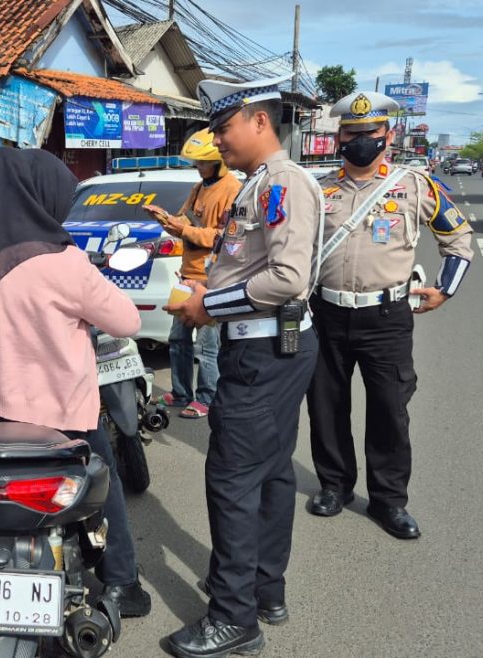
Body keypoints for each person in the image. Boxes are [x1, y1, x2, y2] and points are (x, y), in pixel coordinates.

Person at [0, 147, 152, 617]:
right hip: (60, 419)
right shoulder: (64, 262)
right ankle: (121, 584)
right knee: (105, 483)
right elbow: (126, 322)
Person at [162, 74, 322, 658]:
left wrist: (207, 304)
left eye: (224, 128)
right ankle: (263, 589)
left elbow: (286, 278)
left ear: (259, 120)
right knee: (272, 472)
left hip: (263, 349)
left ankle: (234, 618)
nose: (217, 140)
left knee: (231, 477)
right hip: (266, 346)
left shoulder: (282, 183)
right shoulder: (259, 184)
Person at [305, 92, 474, 539]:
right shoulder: (319, 190)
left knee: (389, 410)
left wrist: (446, 290)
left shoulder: (416, 185)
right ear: (338, 136)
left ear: (388, 135)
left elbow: (458, 238)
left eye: (370, 133)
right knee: (326, 407)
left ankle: (388, 501)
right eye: (352, 133)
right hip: (325, 311)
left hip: (387, 318)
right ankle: (335, 486)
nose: (360, 140)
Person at [143, 128, 241, 419]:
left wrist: (183, 228)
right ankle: (181, 392)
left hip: (212, 279)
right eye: (196, 163)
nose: (198, 168)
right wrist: (166, 219)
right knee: (178, 339)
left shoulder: (233, 189)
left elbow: (222, 237)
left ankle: (206, 397)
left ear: (218, 161)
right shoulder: (198, 188)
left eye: (202, 163)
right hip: (187, 275)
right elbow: (186, 219)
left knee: (208, 344)